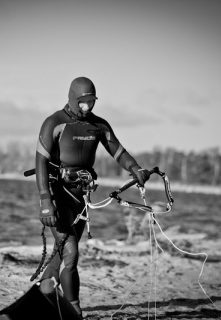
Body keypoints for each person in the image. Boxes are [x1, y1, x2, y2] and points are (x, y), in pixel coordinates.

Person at [34, 76, 150, 318]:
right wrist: (45, 200)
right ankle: (74, 308)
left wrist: (135, 169)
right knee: (71, 252)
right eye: (83, 102)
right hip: (57, 194)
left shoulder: (99, 125)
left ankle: (45, 291)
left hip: (81, 198)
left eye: (91, 102)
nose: (88, 107)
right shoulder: (54, 122)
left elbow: (117, 150)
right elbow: (40, 162)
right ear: (73, 99)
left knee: (63, 248)